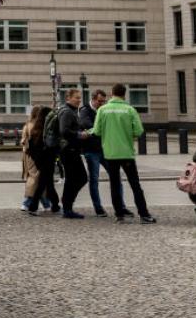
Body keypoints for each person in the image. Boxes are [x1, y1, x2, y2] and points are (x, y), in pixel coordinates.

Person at [88, 84, 156, 224]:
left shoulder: (103, 110)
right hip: (126, 153)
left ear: (111, 93)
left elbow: (97, 131)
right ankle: (144, 214)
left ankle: (119, 215)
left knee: (114, 184)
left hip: (110, 153)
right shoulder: (130, 110)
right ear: (124, 95)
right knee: (135, 185)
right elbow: (138, 131)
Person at [79, 89, 125, 217]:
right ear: (93, 99)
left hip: (105, 149)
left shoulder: (104, 110)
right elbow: (85, 124)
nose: (102, 103)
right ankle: (98, 208)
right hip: (91, 151)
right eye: (100, 101)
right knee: (94, 180)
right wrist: (102, 128)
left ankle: (121, 206)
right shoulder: (85, 110)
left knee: (116, 177)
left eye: (104, 101)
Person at [55, 89, 89, 219]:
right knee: (80, 178)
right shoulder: (67, 112)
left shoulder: (70, 111)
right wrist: (80, 134)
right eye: (76, 98)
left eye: (80, 98)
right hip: (68, 150)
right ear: (68, 98)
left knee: (75, 179)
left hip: (71, 150)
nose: (79, 100)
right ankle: (67, 206)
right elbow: (64, 131)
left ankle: (67, 204)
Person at [29, 106, 62, 215]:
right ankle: (33, 206)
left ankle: (55, 205)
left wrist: (37, 160)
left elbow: (31, 148)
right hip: (48, 159)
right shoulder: (48, 131)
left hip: (39, 160)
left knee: (48, 183)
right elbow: (52, 145)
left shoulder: (35, 129)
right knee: (43, 183)